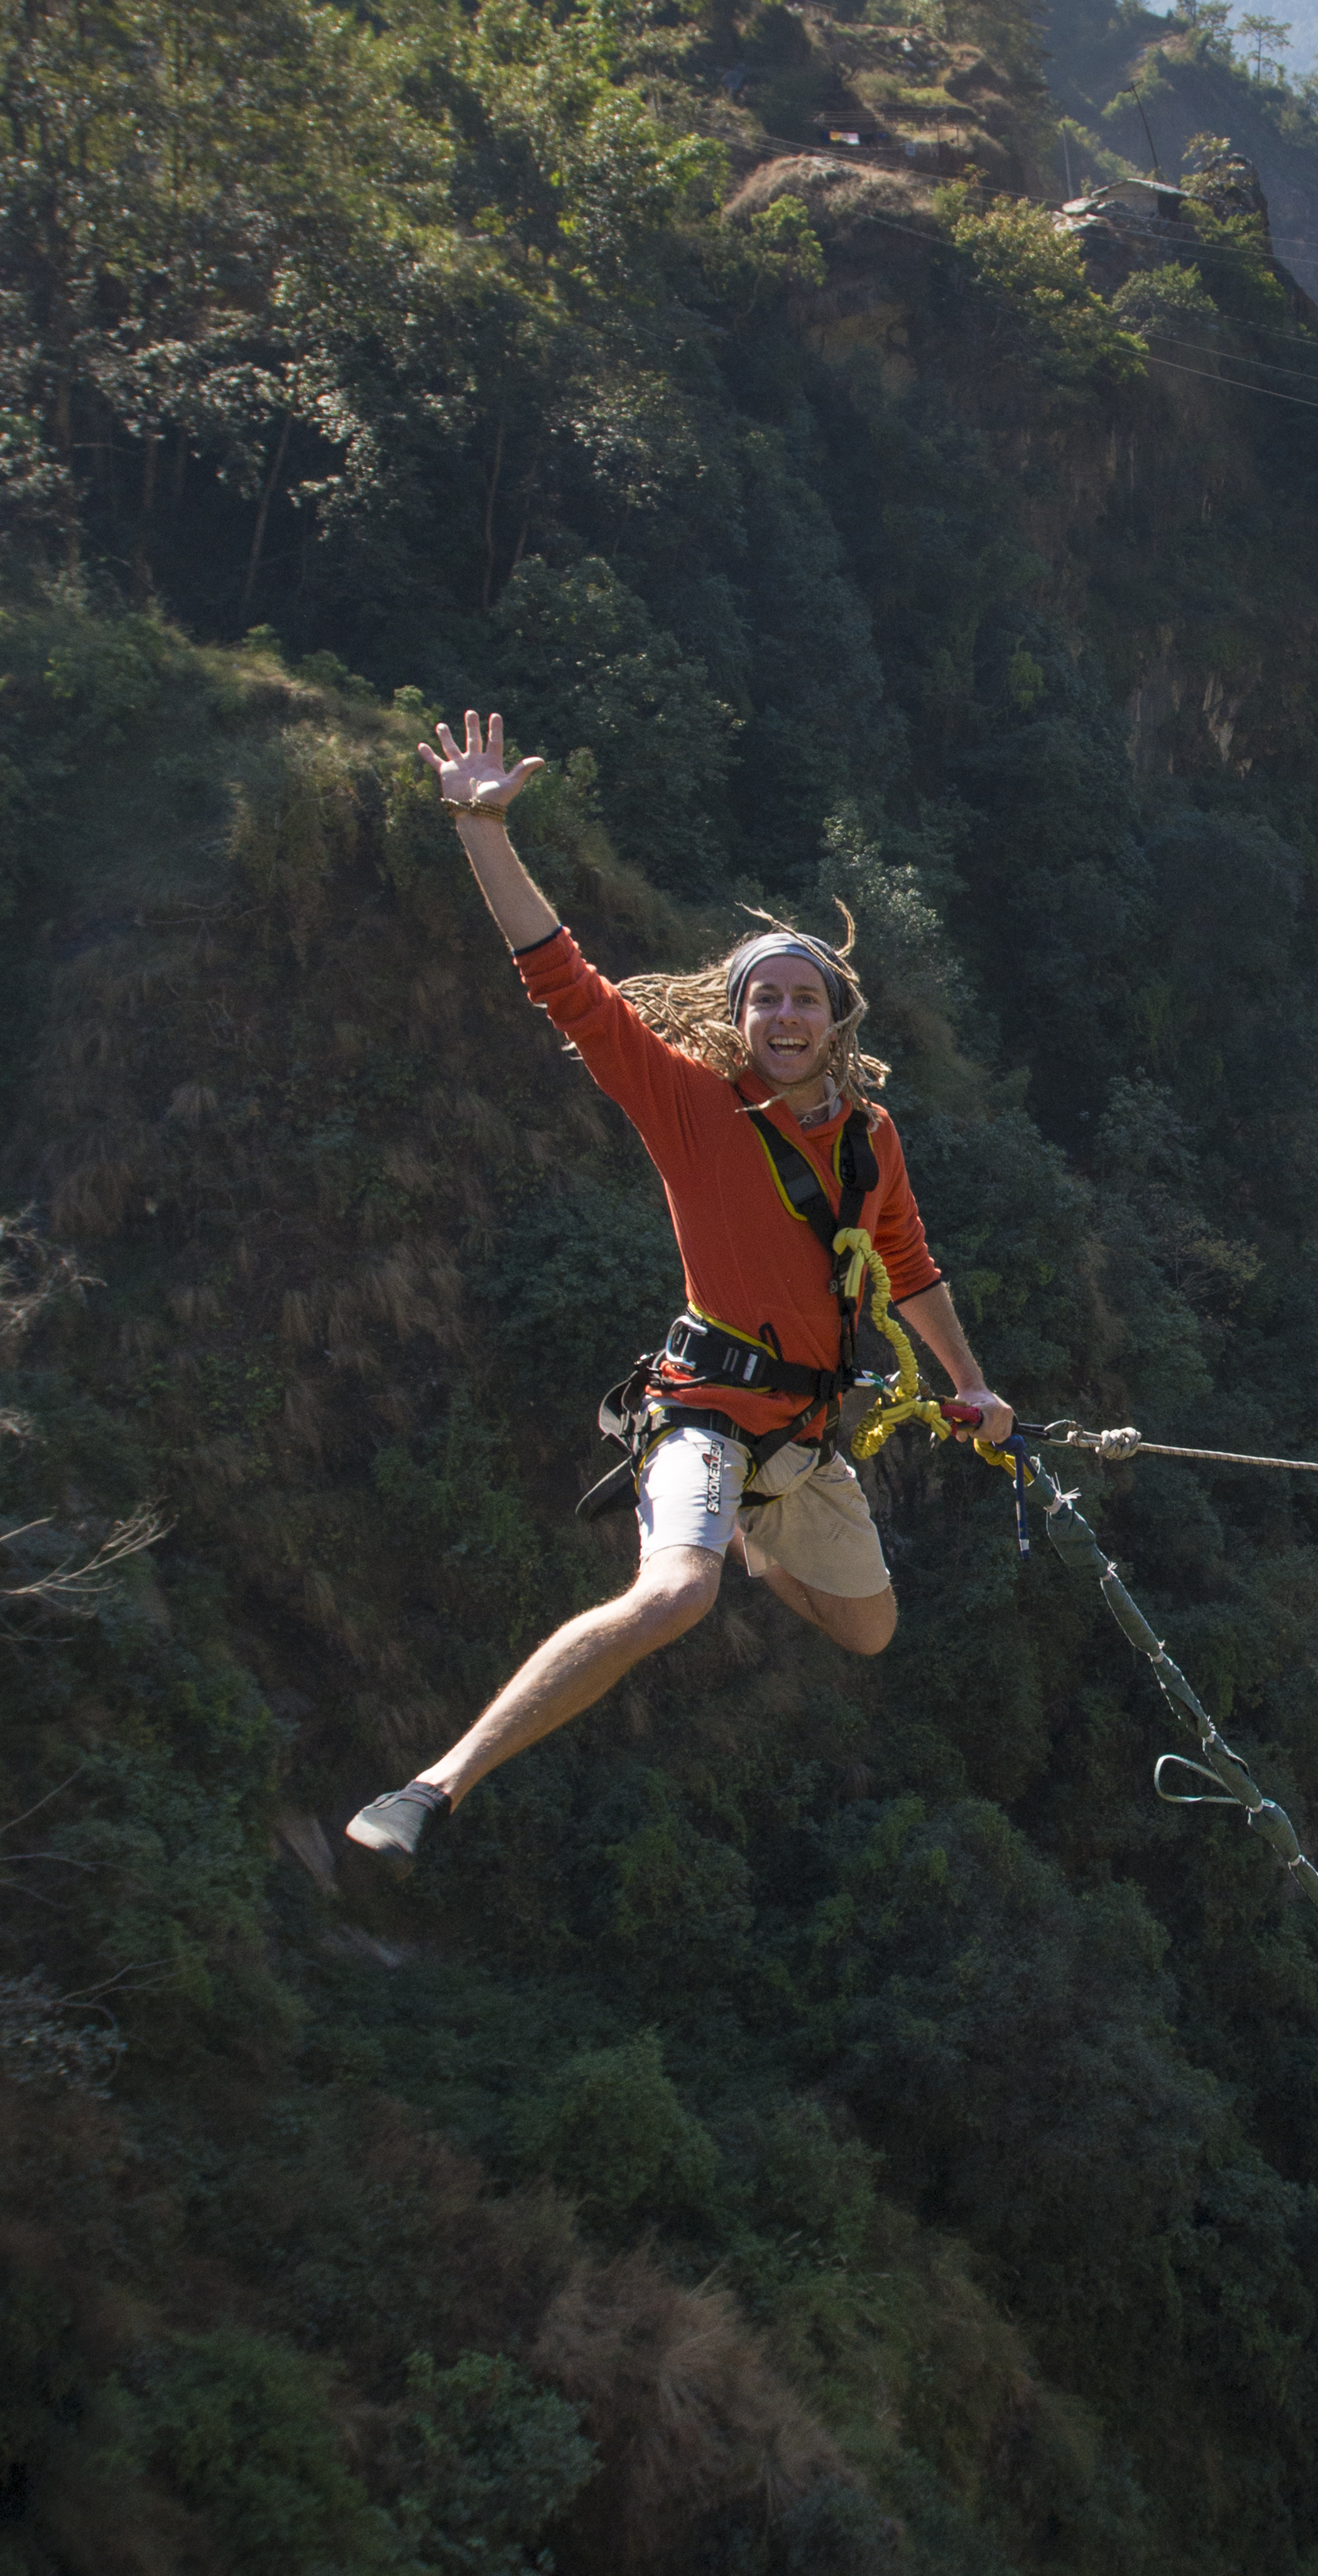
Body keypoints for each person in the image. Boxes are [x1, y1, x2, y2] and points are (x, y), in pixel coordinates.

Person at [344, 710, 1015, 1860]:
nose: (787, 1017)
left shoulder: (870, 1139)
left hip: (805, 1429)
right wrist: (481, 828)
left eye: (807, 1000)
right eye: (767, 1001)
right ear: (739, 1018)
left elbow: (907, 1266)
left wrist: (972, 1386)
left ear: (837, 1018)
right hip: (705, 1411)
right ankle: (433, 1787)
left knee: (868, 1632)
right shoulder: (695, 1109)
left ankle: (748, 1534)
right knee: (674, 1600)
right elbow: (564, 982)